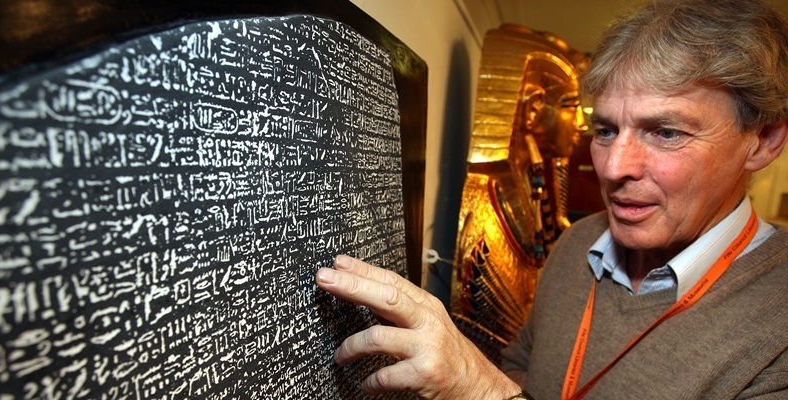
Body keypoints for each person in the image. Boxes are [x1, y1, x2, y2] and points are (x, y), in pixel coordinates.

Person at [315, 0, 788, 398]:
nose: (612, 166)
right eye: (605, 130)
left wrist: (478, 389)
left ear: (763, 141)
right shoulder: (579, 242)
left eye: (665, 132)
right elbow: (522, 364)